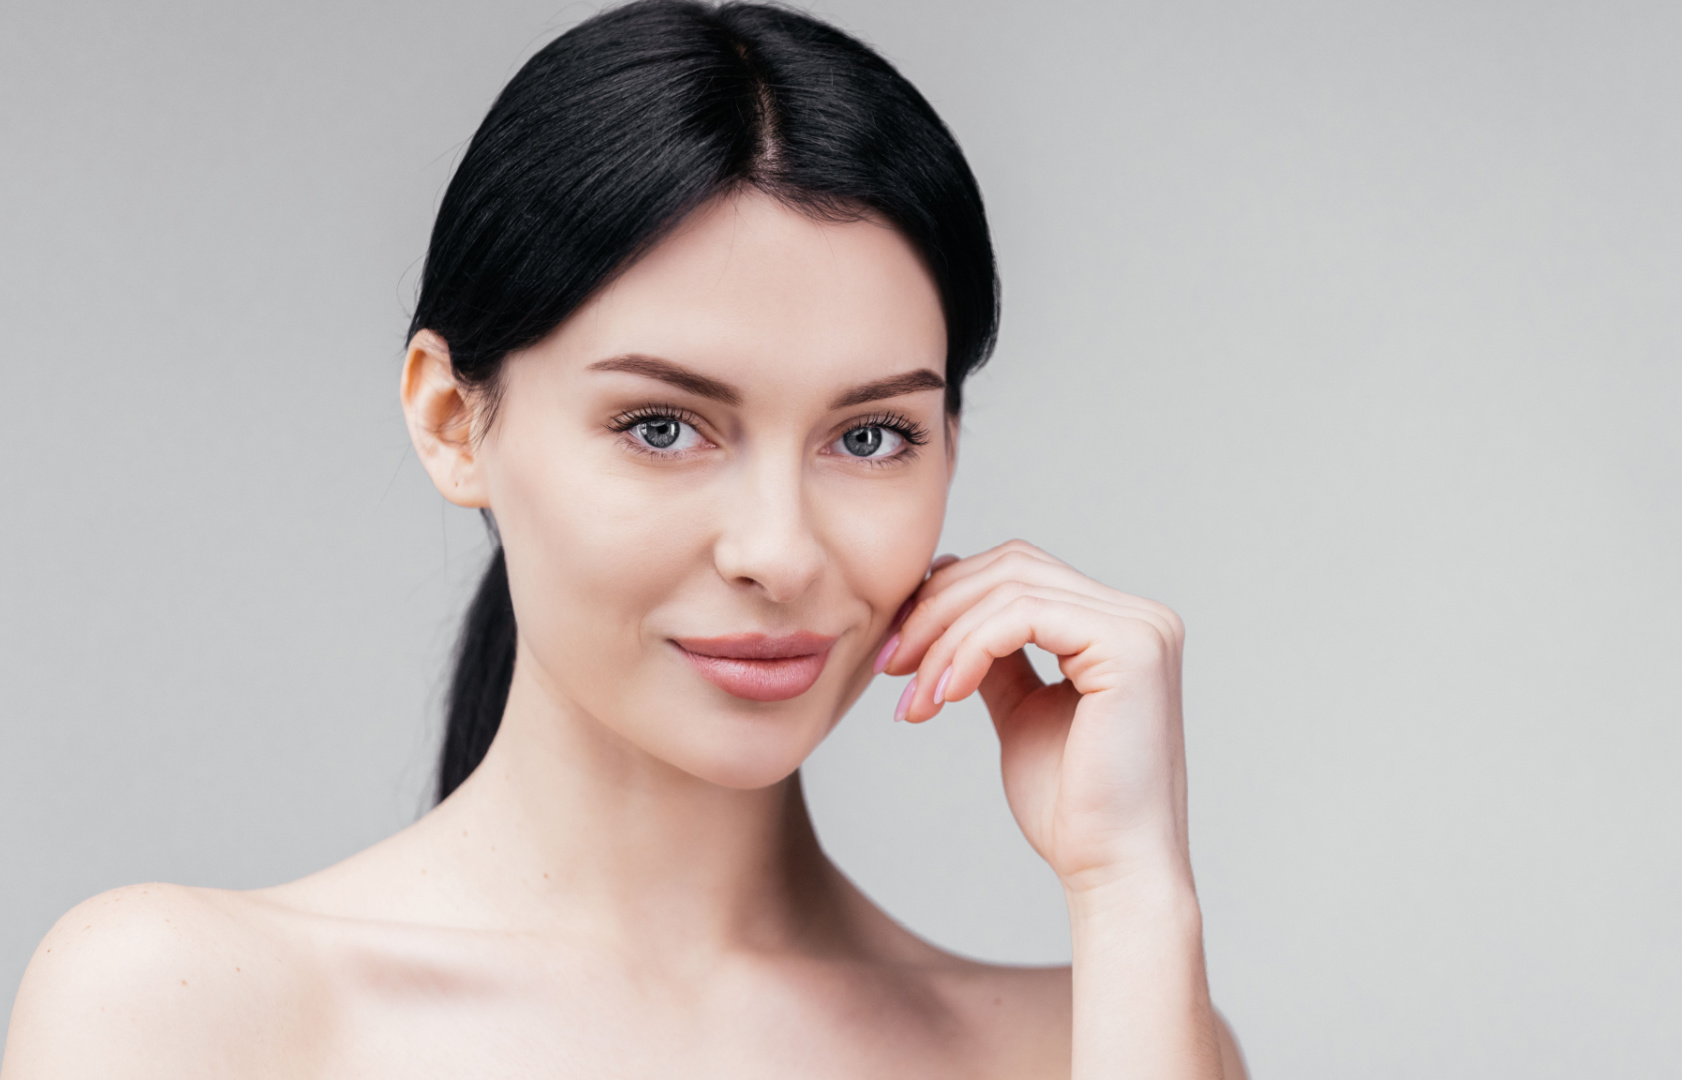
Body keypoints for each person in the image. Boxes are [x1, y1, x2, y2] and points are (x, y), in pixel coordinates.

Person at [0, 3, 1246, 1076]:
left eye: (869, 437)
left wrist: (1131, 889)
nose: (779, 551)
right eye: (663, 425)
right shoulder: (185, 1013)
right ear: (451, 421)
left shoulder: (1085, 1042)